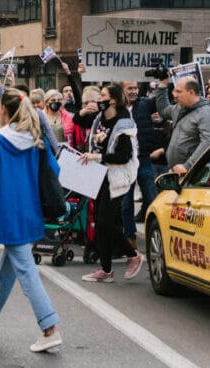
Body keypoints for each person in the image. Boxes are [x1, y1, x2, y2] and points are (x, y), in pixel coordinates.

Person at [0, 89, 62, 353]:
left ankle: (49, 326)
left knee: (27, 271)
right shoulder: (35, 138)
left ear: (5, 111)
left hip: (8, 213)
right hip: (30, 209)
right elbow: (54, 169)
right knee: (8, 267)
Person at [80, 85, 144, 283]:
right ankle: (106, 270)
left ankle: (133, 255)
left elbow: (124, 156)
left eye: (103, 96)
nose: (99, 98)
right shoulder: (100, 117)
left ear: (113, 100)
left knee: (107, 222)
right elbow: (78, 120)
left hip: (117, 177)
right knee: (100, 223)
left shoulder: (124, 123)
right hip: (100, 175)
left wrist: (96, 156)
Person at [155, 77, 210, 174]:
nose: (174, 94)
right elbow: (163, 111)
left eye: (178, 91)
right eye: (174, 90)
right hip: (176, 171)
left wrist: (188, 165)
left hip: (193, 173)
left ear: (191, 92)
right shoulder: (179, 107)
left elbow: (208, 142)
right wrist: (163, 85)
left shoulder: (206, 113)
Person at [121, 80, 158, 241]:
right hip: (124, 161)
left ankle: (155, 233)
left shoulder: (145, 105)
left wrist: (162, 83)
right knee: (126, 202)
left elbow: (165, 100)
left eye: (136, 88)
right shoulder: (116, 108)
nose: (134, 91)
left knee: (152, 198)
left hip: (143, 158)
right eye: (130, 88)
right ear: (122, 90)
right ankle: (129, 236)